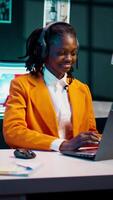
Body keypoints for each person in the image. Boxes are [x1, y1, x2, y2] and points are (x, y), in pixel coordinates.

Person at [3, 21, 100, 152]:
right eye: (62, 53)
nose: (69, 59)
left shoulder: (82, 89)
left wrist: (102, 140)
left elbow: (90, 133)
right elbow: (13, 133)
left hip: (78, 163)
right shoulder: (21, 85)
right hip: (41, 163)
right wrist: (62, 145)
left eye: (73, 53)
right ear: (44, 52)